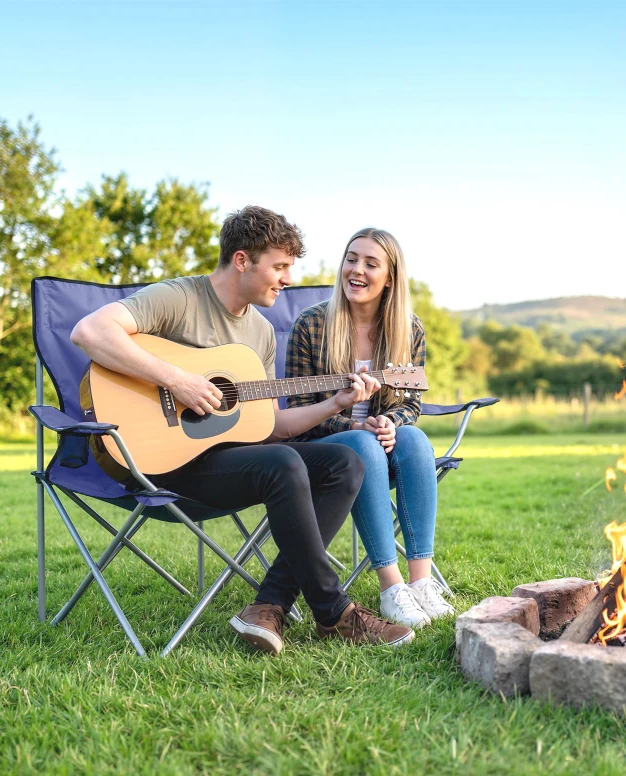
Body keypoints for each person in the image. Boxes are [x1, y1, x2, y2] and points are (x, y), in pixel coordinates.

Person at [70, 206, 415, 654]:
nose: (287, 279)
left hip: (227, 461)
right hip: (156, 460)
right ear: (241, 260)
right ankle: (333, 612)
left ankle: (270, 605)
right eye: (280, 266)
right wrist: (177, 380)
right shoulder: (178, 298)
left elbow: (271, 426)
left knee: (343, 462)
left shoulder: (260, 332)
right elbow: (89, 331)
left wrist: (336, 403)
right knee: (284, 463)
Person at [285, 228, 455, 628]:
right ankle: (390, 586)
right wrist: (355, 424)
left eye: (370, 263)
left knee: (414, 438)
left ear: (390, 278)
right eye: (351, 258)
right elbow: (298, 411)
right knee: (362, 443)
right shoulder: (310, 326)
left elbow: (411, 402)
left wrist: (391, 422)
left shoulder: (407, 330)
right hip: (324, 452)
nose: (356, 270)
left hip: (383, 449)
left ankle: (421, 582)